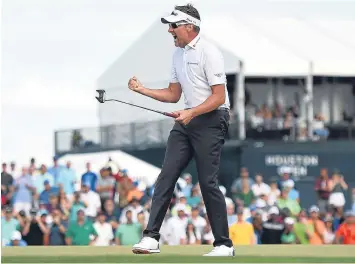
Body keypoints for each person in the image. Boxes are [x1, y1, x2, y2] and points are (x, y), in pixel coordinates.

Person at [128, 3, 234, 256]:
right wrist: (142, 90)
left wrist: (192, 112)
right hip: (188, 120)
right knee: (166, 176)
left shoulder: (210, 52)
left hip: (212, 119)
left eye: (173, 26)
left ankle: (223, 244)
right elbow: (174, 94)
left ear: (189, 27)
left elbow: (219, 97)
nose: (170, 31)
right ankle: (151, 238)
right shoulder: (177, 55)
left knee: (207, 182)